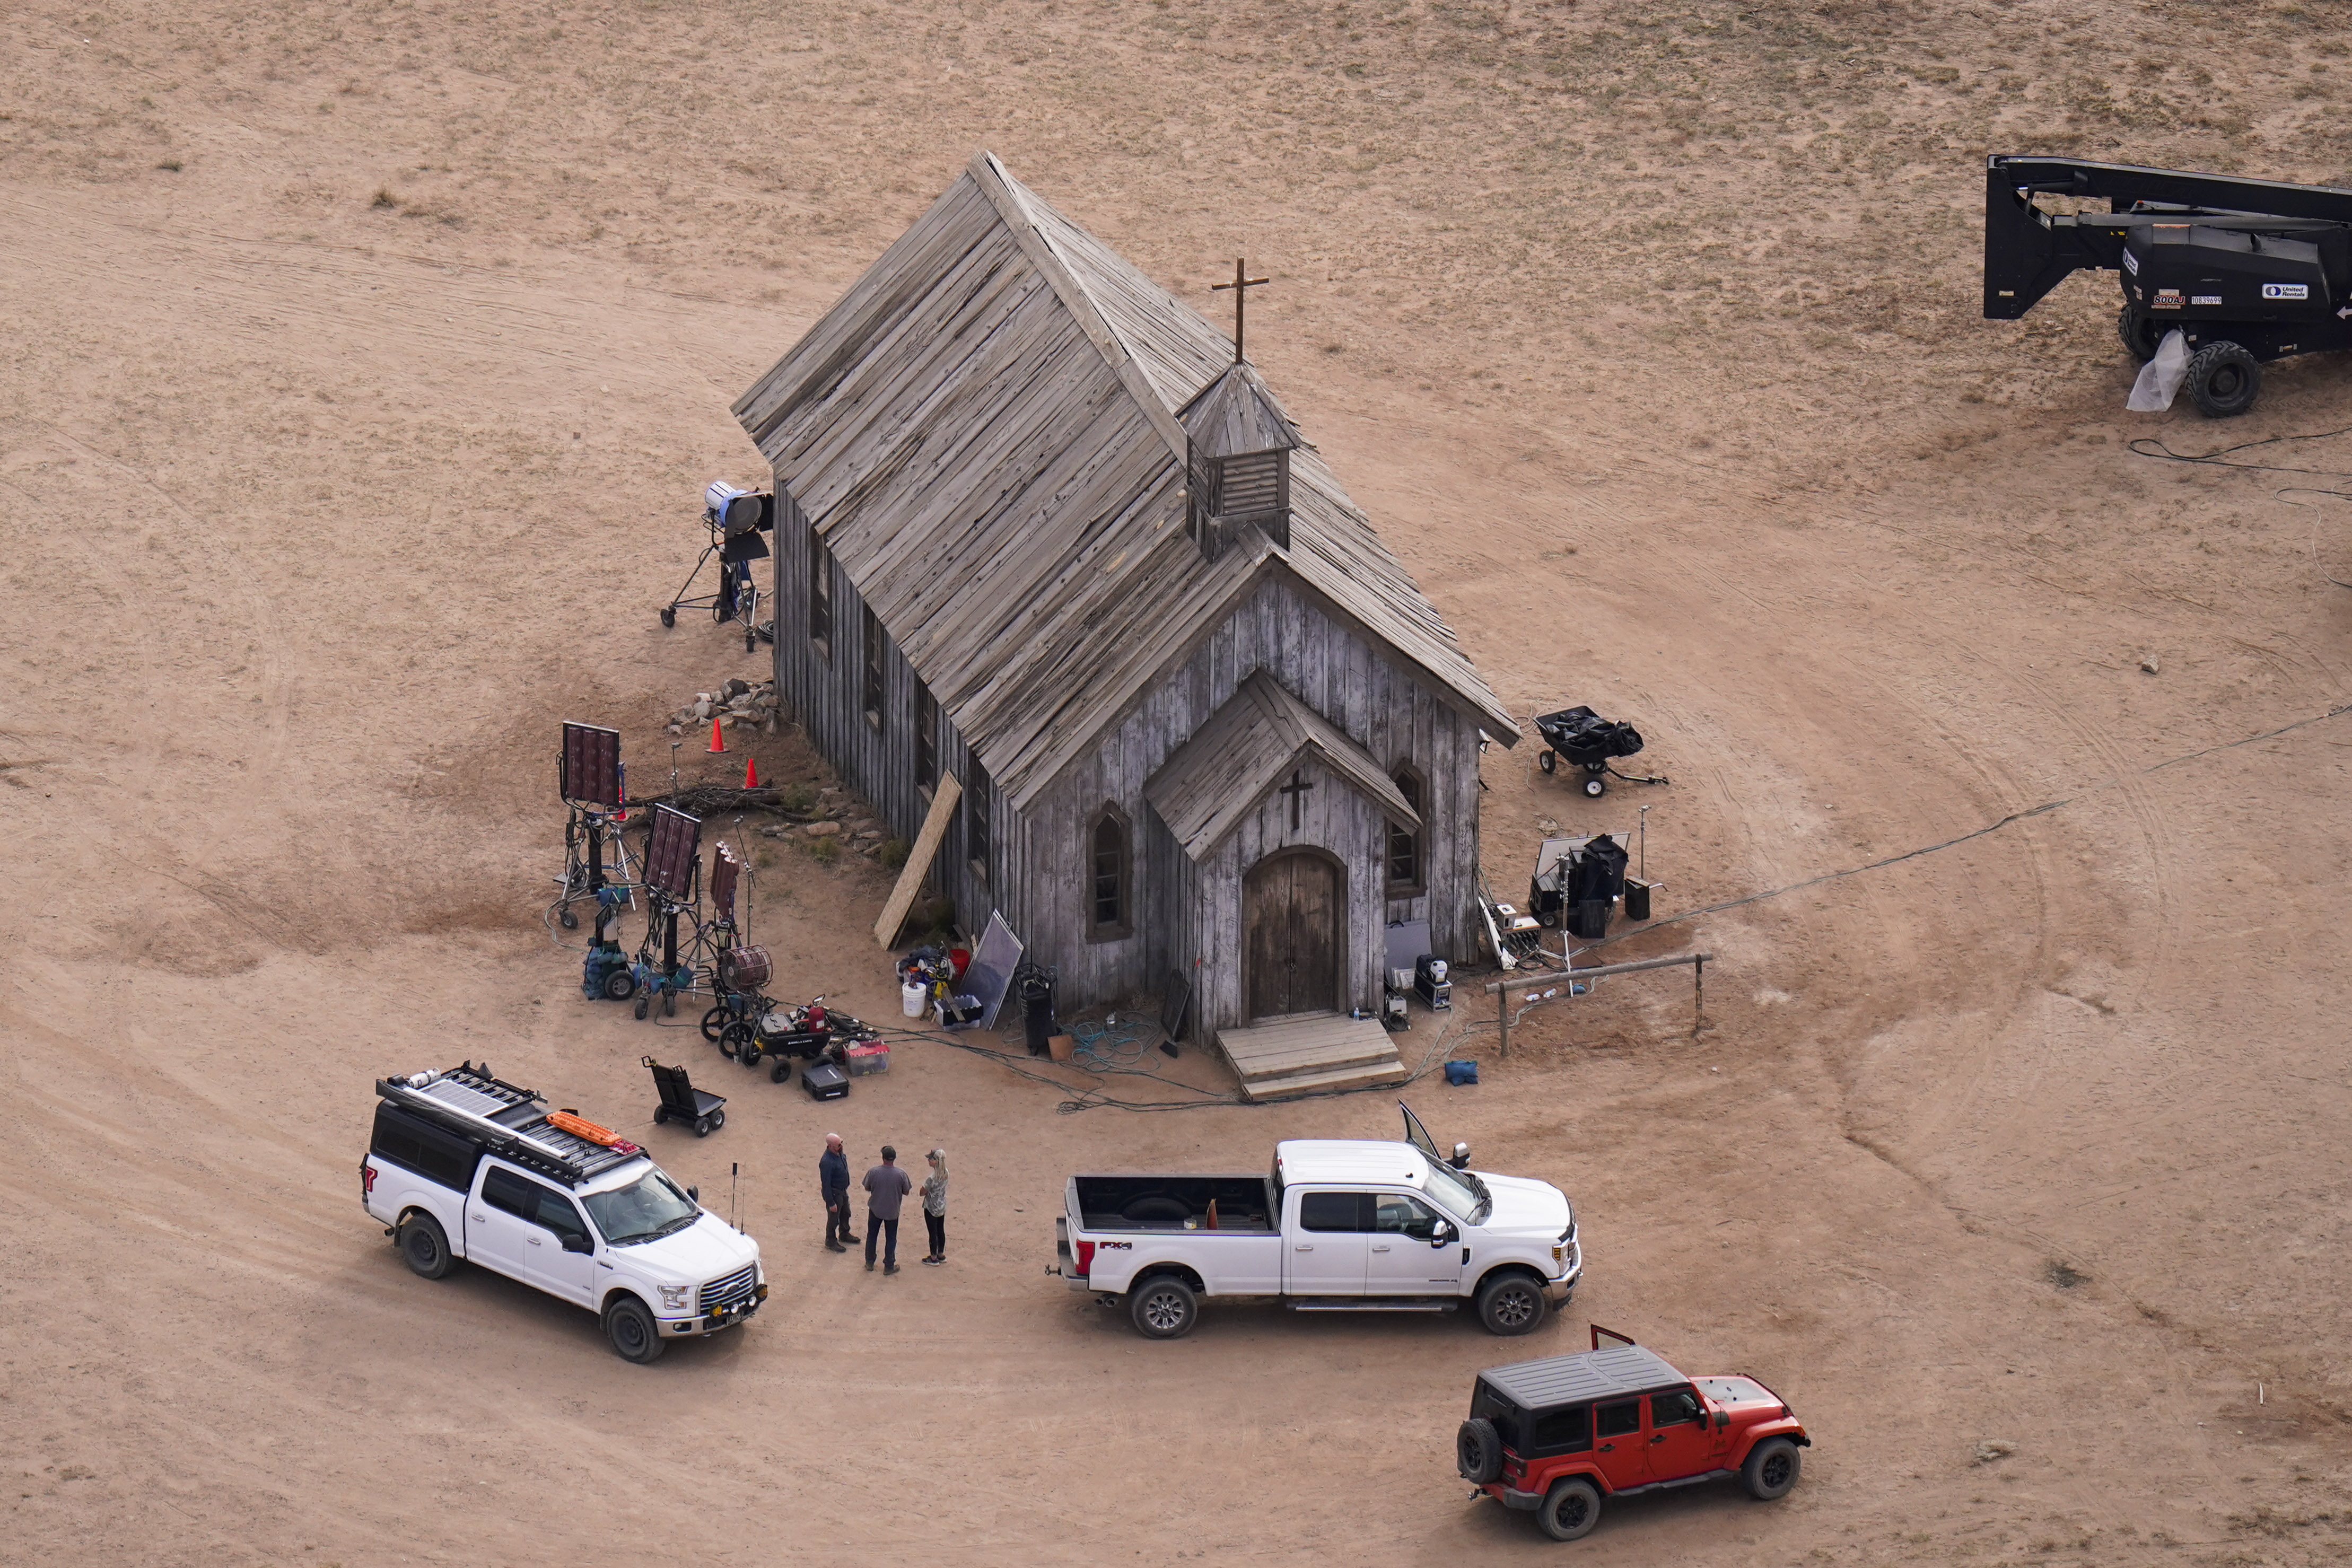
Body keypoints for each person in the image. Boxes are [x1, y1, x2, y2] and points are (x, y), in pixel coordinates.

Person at [862, 1144, 914, 1275]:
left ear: (883, 1157)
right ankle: (889, 1265)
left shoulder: (873, 1172)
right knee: (891, 1238)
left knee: (872, 1236)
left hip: (875, 1209)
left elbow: (867, 1188)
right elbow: (907, 1192)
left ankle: (869, 1262)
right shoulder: (901, 1175)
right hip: (892, 1211)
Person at [819, 1133, 855, 1253]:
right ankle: (830, 1241)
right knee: (834, 1219)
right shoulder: (827, 1162)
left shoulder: (839, 1154)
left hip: (842, 1191)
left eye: (840, 1144)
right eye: (837, 1145)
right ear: (830, 1146)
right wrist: (831, 1202)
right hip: (835, 1194)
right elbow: (826, 1184)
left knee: (846, 1213)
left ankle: (844, 1234)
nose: (840, 1146)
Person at [919, 1147, 948, 1265]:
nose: (929, 1161)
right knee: (941, 1230)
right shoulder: (946, 1173)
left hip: (931, 1207)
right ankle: (941, 1254)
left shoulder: (932, 1178)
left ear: (936, 1161)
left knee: (933, 1232)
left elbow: (922, 1192)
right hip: (941, 1206)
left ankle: (934, 1258)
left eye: (931, 1159)